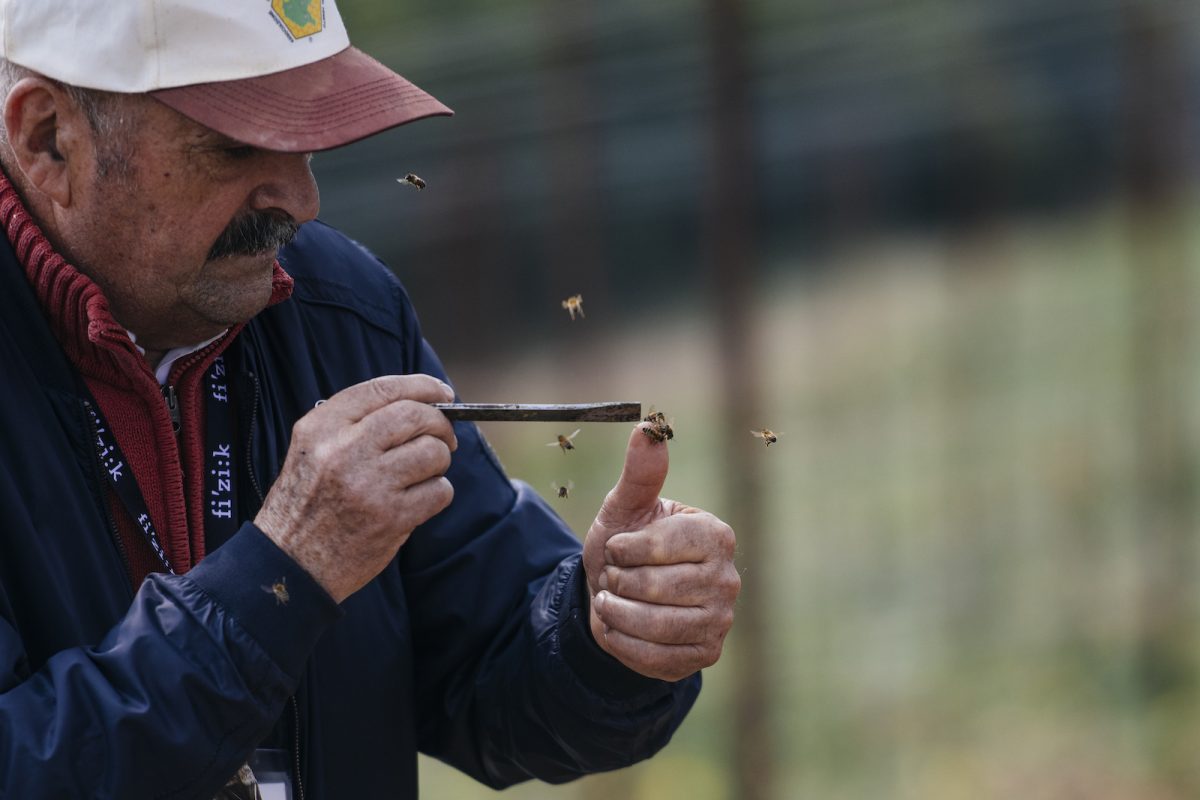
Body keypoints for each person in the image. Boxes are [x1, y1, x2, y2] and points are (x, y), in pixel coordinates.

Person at [0, 1, 741, 798]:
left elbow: (489, 673)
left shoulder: (334, 309)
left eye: (306, 135)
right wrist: (280, 576)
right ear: (47, 137)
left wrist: (607, 628)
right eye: (236, 145)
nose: (300, 199)